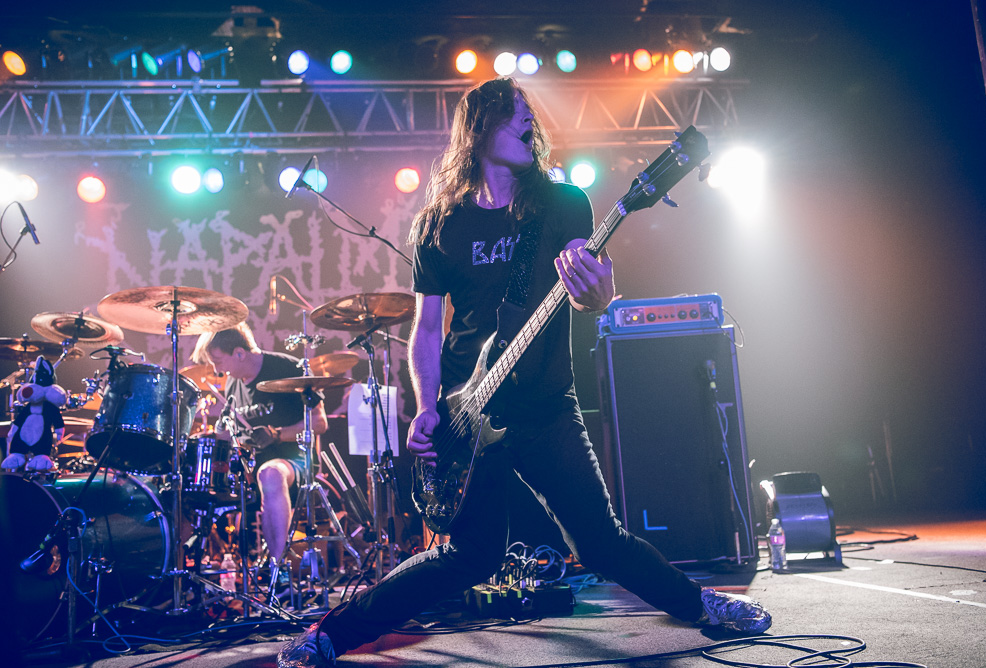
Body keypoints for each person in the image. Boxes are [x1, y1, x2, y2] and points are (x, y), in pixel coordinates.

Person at [279, 77, 770, 667]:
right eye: (514, 114)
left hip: (546, 405)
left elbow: (590, 294)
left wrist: (598, 295)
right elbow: (428, 329)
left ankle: (702, 606)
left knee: (601, 542)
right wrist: (428, 408)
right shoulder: (439, 223)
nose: (528, 123)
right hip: (467, 411)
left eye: (530, 116)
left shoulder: (563, 203)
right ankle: (330, 636)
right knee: (467, 556)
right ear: (479, 127)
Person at [192, 322, 328, 571]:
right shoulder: (233, 385)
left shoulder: (287, 367)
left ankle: (279, 569)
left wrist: (277, 434)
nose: (217, 370)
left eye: (218, 361)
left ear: (239, 353)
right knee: (191, 484)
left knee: (270, 473)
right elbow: (230, 434)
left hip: (294, 461)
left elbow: (319, 423)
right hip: (251, 465)